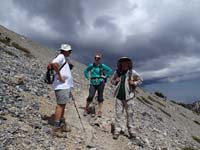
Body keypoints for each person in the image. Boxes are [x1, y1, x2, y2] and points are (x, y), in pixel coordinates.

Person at [111, 57, 143, 144]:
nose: (124, 64)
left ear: (129, 63)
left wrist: (134, 83)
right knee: (118, 114)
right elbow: (112, 81)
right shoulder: (117, 72)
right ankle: (117, 131)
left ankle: (132, 132)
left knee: (130, 114)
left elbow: (140, 80)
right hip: (119, 97)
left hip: (129, 97)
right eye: (122, 62)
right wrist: (115, 81)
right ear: (120, 63)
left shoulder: (132, 72)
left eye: (126, 62)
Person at [51, 44, 73, 136]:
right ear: (65, 51)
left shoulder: (64, 58)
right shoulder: (61, 56)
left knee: (62, 105)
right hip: (62, 86)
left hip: (64, 86)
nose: (70, 52)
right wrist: (60, 76)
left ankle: (61, 124)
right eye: (69, 51)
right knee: (60, 105)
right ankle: (56, 128)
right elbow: (54, 63)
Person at [84, 53, 112, 117]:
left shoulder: (102, 66)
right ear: (94, 58)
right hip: (93, 82)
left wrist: (106, 76)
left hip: (101, 82)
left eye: (98, 58)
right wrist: (88, 77)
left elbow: (110, 70)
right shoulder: (91, 65)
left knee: (100, 97)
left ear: (100, 59)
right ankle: (86, 108)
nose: (97, 59)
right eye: (95, 58)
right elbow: (85, 71)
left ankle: (100, 111)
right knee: (90, 96)